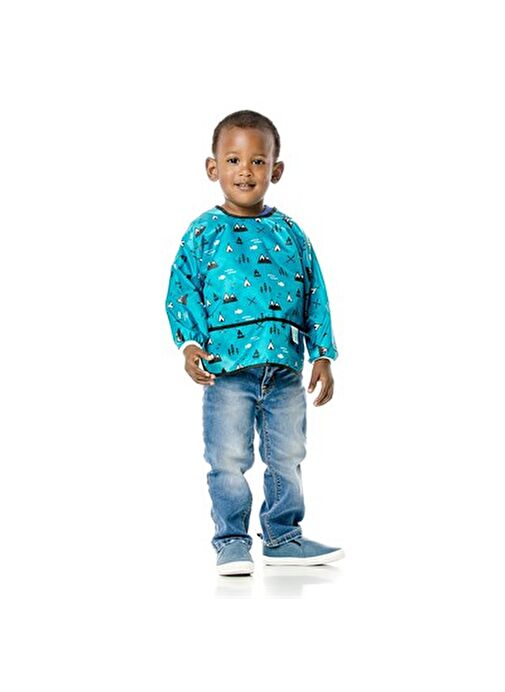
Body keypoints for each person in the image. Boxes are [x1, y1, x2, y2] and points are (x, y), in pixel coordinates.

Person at [165, 109, 345, 576]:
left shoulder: (291, 233)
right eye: (233, 160)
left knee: (287, 456)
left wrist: (323, 354)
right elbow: (182, 289)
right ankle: (231, 541)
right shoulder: (203, 233)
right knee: (227, 458)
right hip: (226, 371)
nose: (245, 170)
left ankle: (283, 537)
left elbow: (315, 294)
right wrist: (189, 345)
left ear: (275, 170)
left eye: (257, 161)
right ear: (213, 168)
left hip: (284, 370)